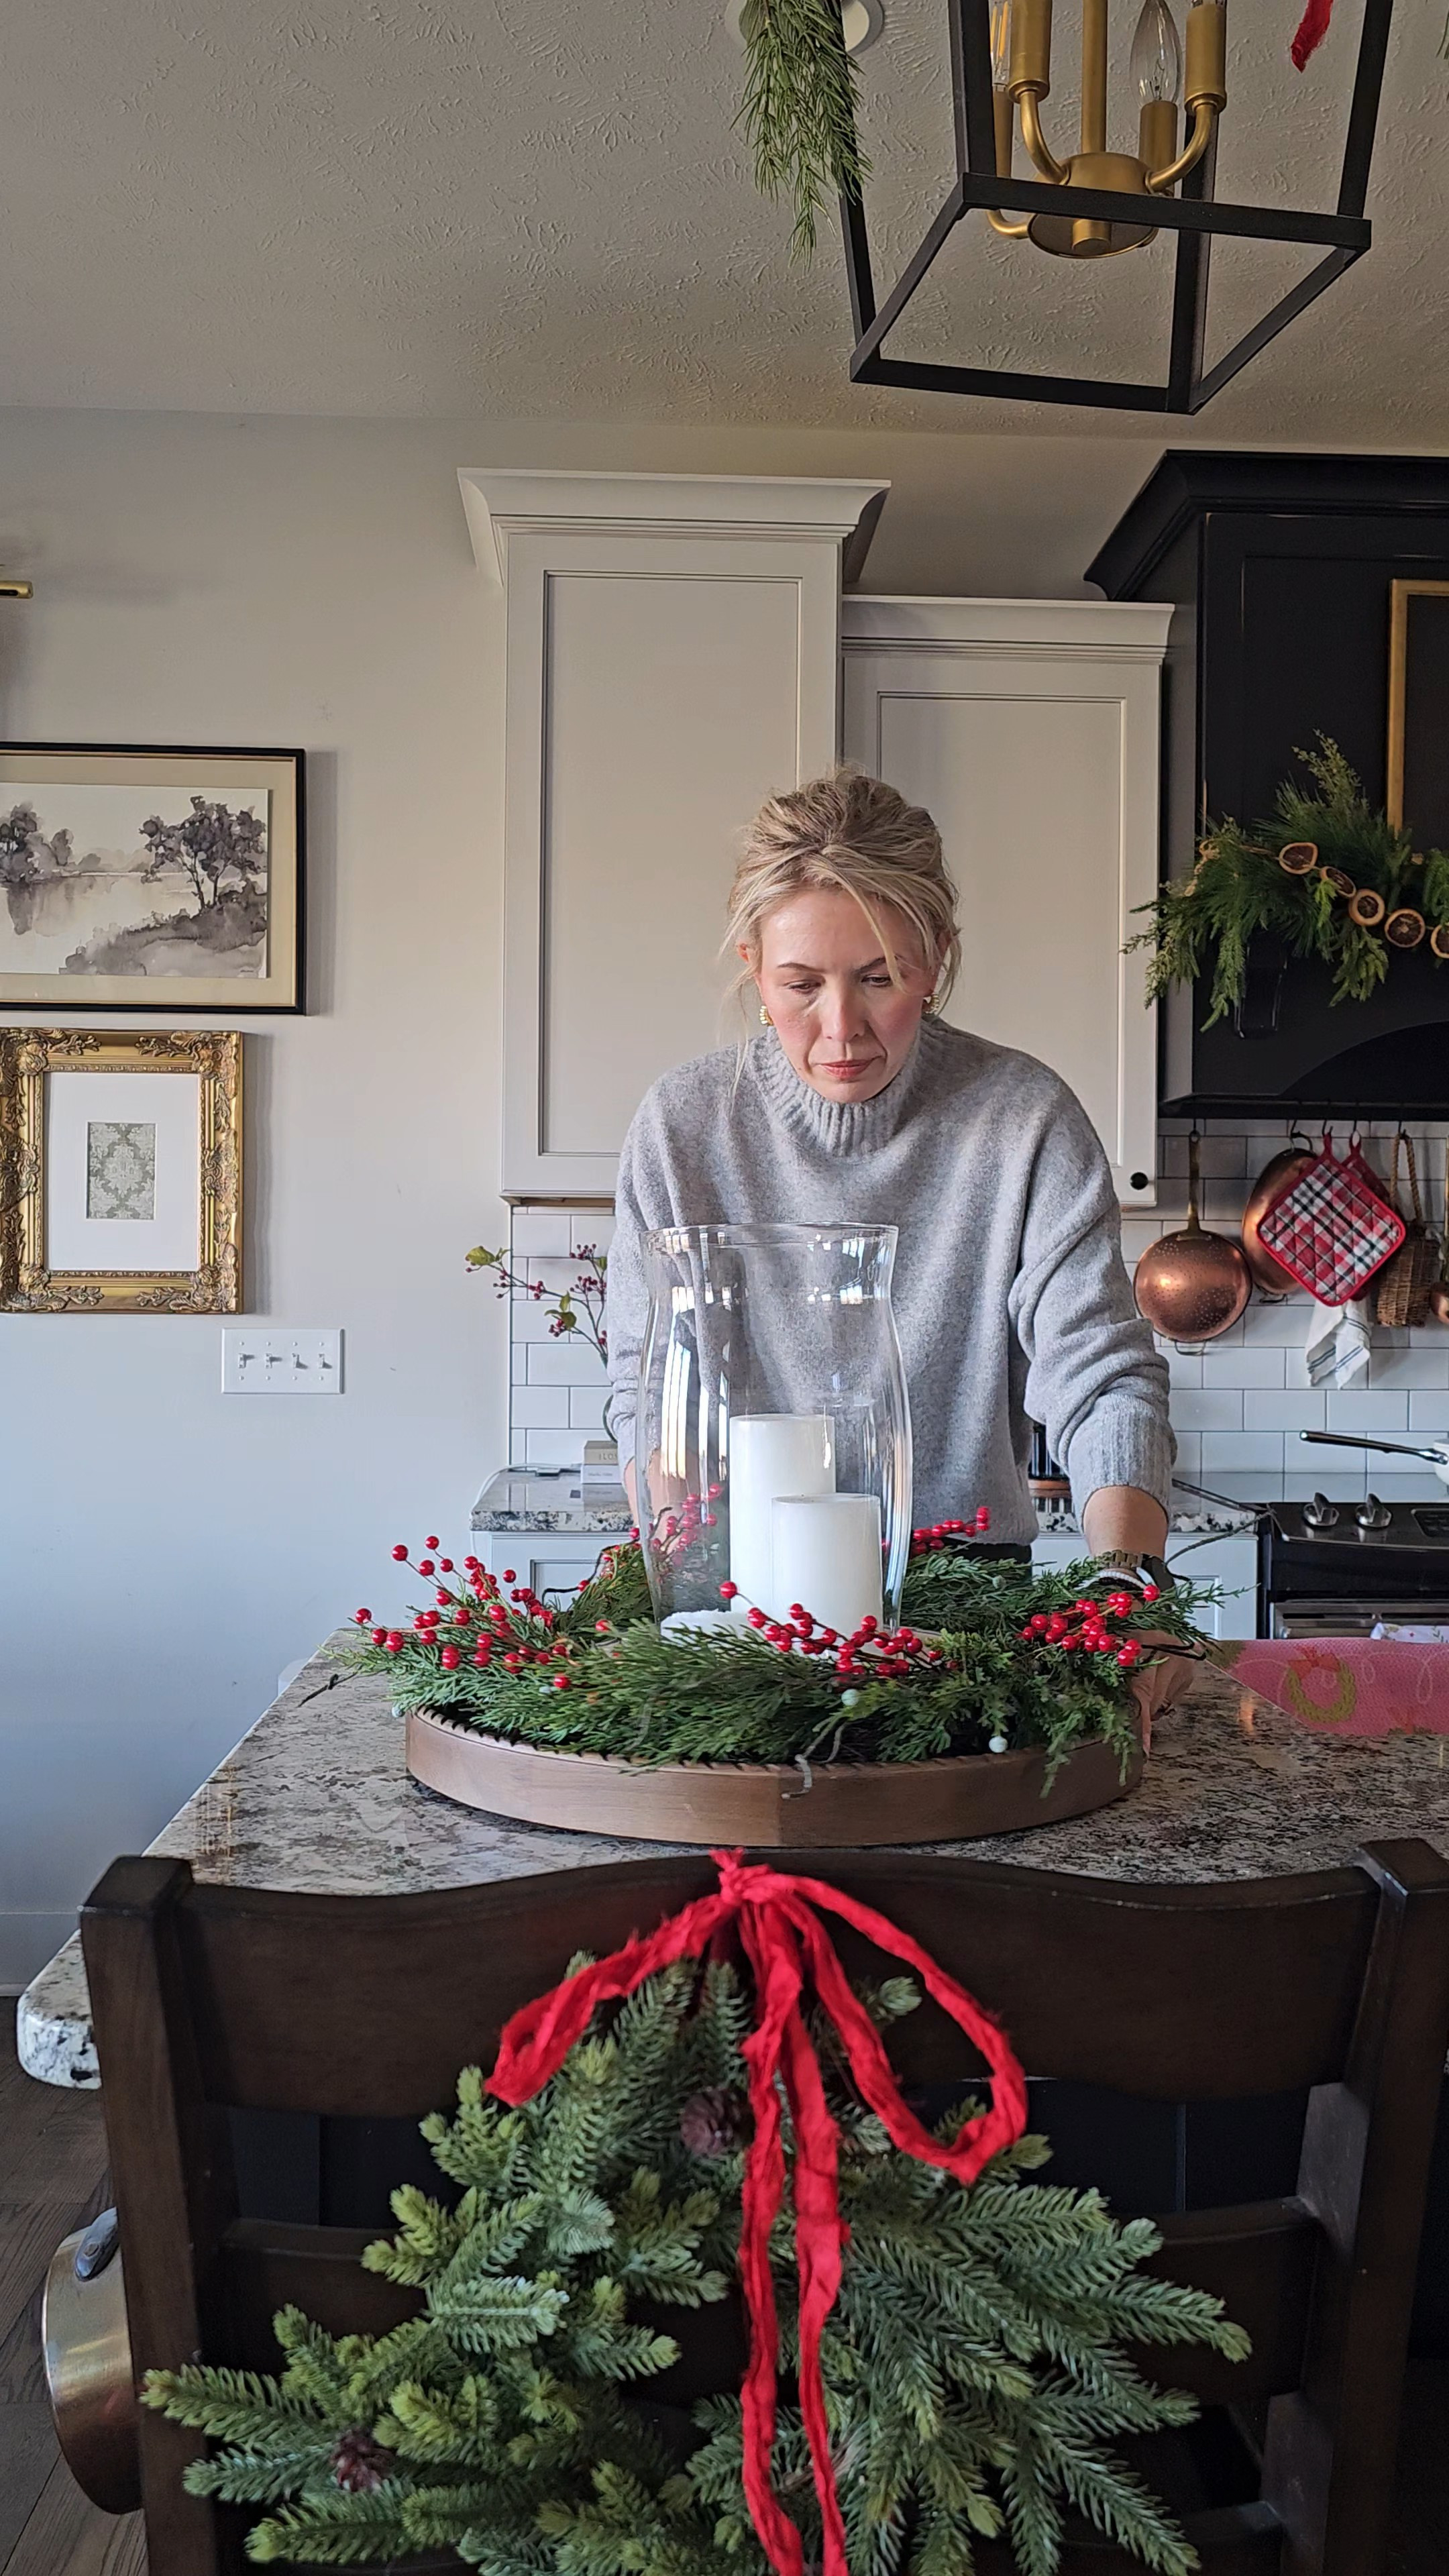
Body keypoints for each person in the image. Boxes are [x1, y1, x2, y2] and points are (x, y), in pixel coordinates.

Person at [604, 768, 1175, 1602]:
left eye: (879, 979)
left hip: (965, 1591)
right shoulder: (683, 1125)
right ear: (754, 969)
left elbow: (1103, 1375)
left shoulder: (1024, 1119)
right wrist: (681, 1576)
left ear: (936, 960)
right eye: (802, 985)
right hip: (733, 1586)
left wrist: (1126, 1579)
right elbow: (649, 1388)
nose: (841, 1030)